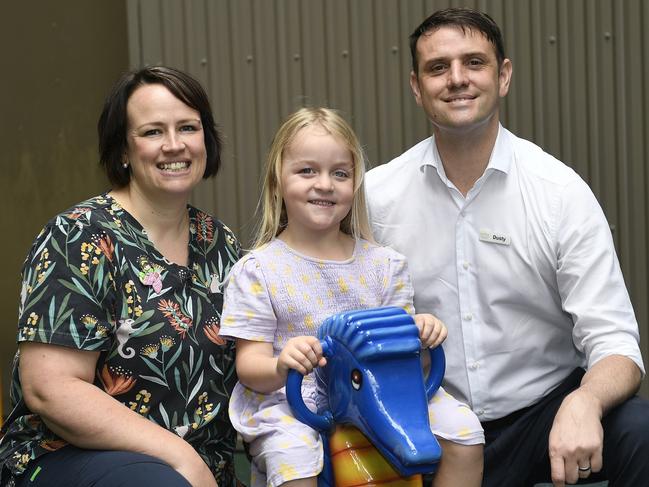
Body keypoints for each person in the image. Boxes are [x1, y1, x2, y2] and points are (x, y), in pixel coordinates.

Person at [365, 7, 649, 487]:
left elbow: (616, 344)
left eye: (474, 63)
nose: (457, 79)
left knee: (639, 431)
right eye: (438, 67)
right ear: (416, 86)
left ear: (504, 76)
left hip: (543, 415)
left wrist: (584, 401)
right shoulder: (376, 197)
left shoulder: (559, 192)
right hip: (428, 419)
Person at [0, 66, 241, 487]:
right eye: (151, 132)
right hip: (75, 460)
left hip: (198, 472)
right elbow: (48, 388)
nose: (174, 145)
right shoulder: (79, 235)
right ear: (123, 151)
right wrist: (179, 459)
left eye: (188, 127)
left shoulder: (220, 243)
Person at [218, 107, 484, 487]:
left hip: (379, 390)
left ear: (355, 183)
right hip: (293, 400)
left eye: (339, 173)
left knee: (464, 431)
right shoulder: (258, 270)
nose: (324, 184)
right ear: (278, 181)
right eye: (307, 171)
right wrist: (281, 365)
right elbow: (249, 366)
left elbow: (402, 353)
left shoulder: (385, 264)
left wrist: (421, 334)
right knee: (294, 456)